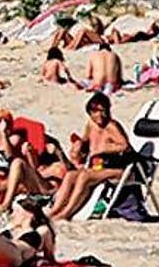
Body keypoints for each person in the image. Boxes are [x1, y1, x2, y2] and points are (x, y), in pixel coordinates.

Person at [48, 92, 132, 220]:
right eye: (96, 111)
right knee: (71, 176)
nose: (100, 115)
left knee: (85, 176)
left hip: (118, 170)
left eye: (103, 111)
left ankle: (67, 213)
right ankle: (55, 210)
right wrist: (78, 146)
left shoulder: (111, 126)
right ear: (90, 113)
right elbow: (85, 143)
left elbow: (125, 146)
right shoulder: (91, 125)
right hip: (97, 168)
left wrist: (105, 149)